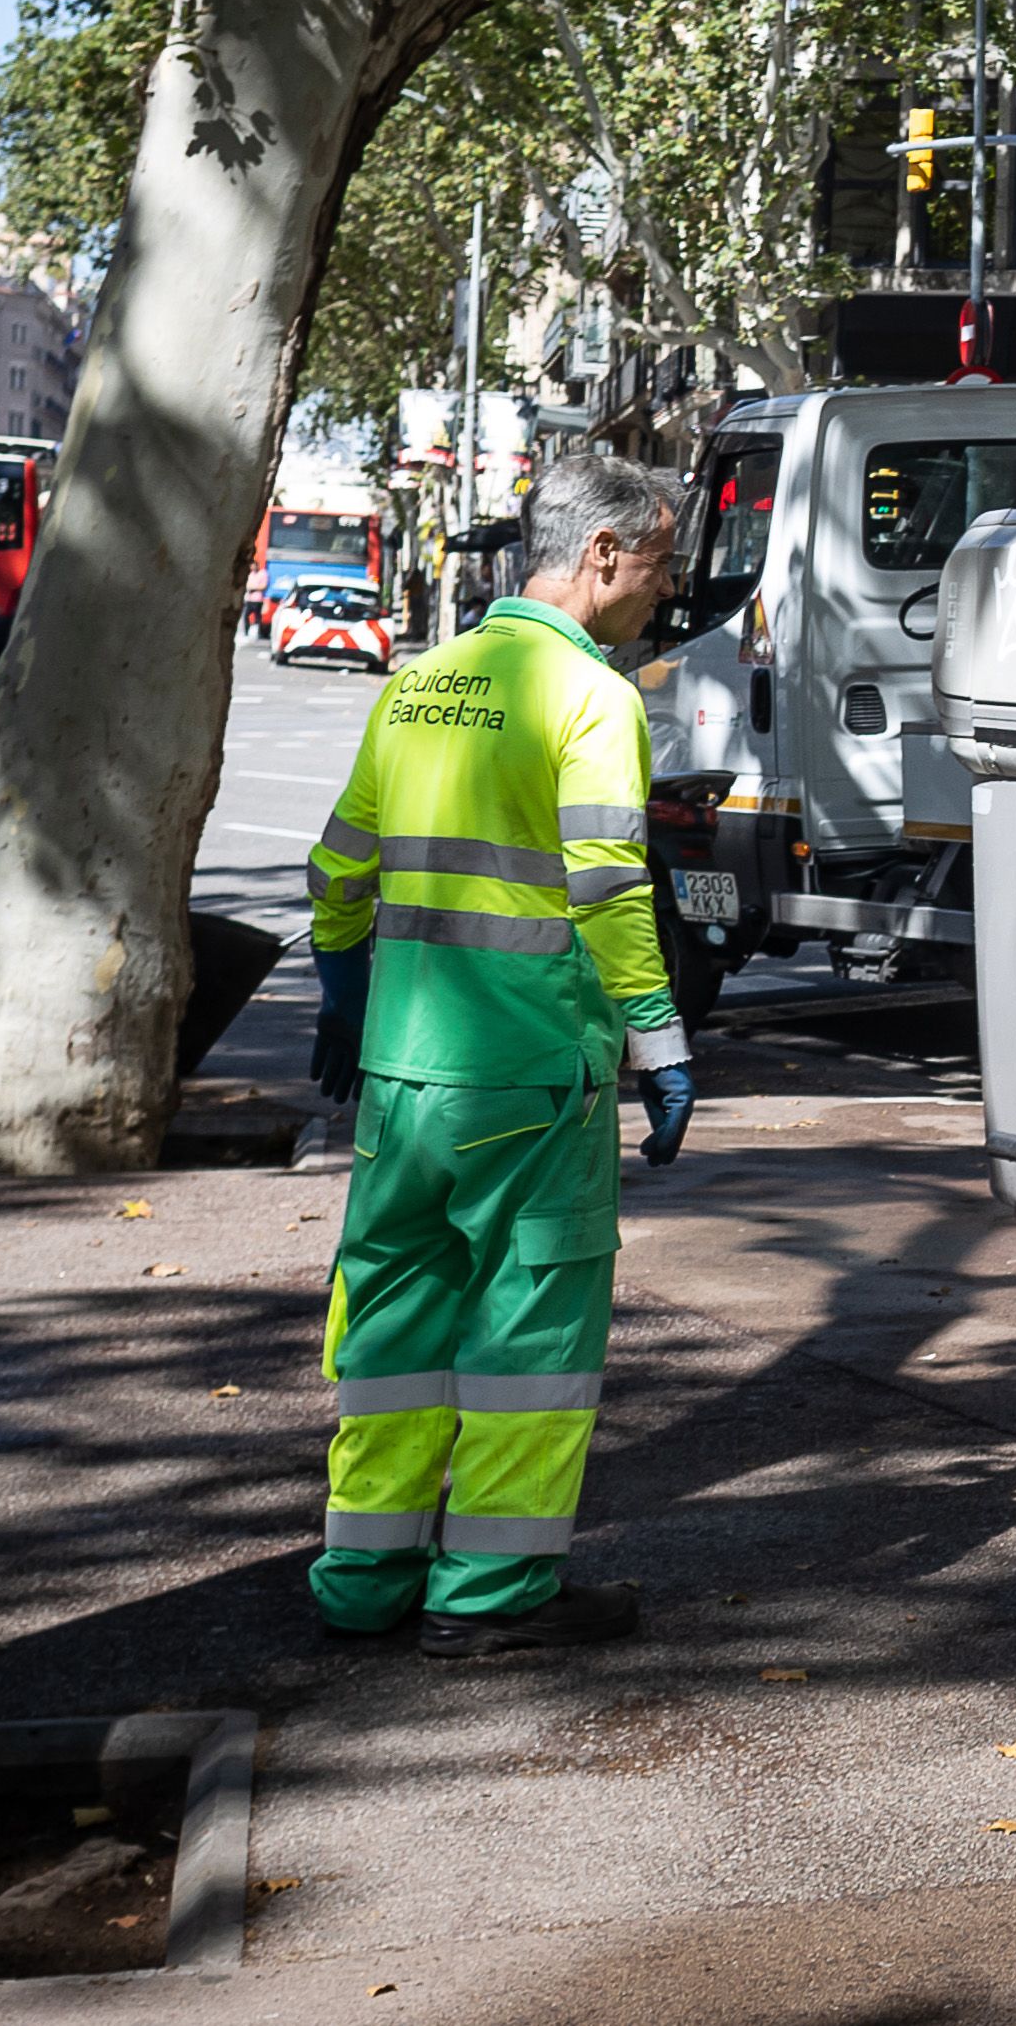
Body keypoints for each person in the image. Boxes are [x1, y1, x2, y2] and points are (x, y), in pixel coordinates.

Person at [302, 455, 695, 1655]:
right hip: (527, 1073)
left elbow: (337, 866)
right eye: (662, 563)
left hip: (401, 1074)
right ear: (605, 554)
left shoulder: (420, 682)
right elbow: (609, 887)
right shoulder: (589, 696)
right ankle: (487, 1597)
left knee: (392, 1320)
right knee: (529, 1334)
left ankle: (362, 1581)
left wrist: (340, 993)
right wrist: (661, 1044)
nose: (665, 593)